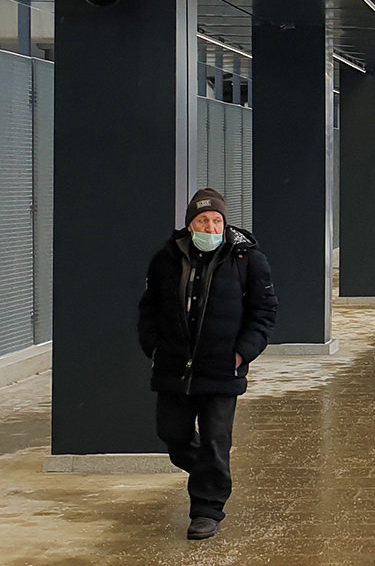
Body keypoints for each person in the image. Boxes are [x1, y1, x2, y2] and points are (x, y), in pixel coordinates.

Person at [137, 188, 277, 540]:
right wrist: (154, 348)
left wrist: (242, 353)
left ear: (225, 224)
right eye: (203, 220)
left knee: (215, 440)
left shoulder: (248, 260)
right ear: (190, 225)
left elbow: (264, 312)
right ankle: (213, 475)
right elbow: (148, 308)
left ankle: (206, 510)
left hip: (221, 369)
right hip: (174, 368)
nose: (210, 227)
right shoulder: (165, 259)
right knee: (172, 435)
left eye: (216, 221)